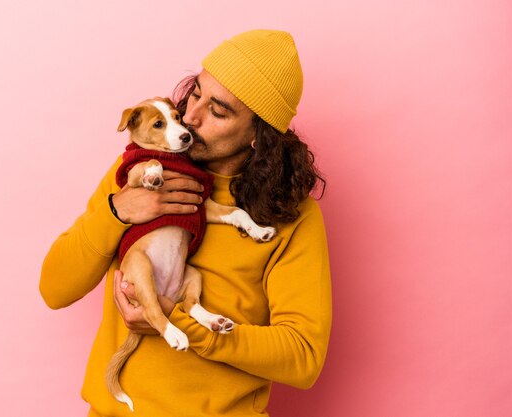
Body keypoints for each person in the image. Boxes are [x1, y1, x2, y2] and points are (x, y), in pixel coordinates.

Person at [40, 29, 332, 417]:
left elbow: (303, 357)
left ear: (259, 137)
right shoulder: (142, 171)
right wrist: (117, 212)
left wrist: (175, 323)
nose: (190, 117)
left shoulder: (292, 216)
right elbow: (54, 289)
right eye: (195, 93)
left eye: (218, 110)